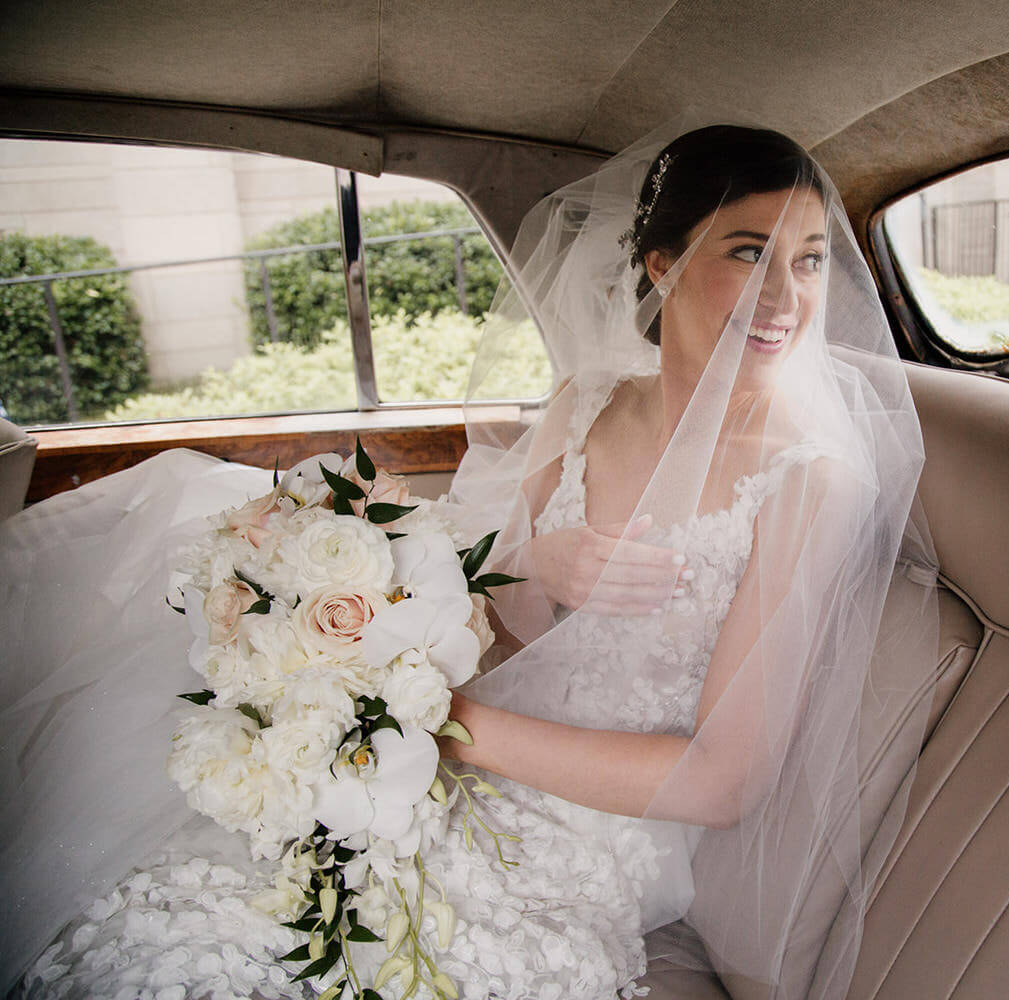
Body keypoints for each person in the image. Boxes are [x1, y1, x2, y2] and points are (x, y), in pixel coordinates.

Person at [0, 123, 937, 1000]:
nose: (788, 299)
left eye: (810, 262)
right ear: (664, 262)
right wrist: (534, 576)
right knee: (167, 923)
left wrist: (439, 725)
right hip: (438, 761)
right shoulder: (586, 403)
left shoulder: (809, 479)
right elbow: (489, 633)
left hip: (582, 837)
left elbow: (720, 782)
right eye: (749, 253)